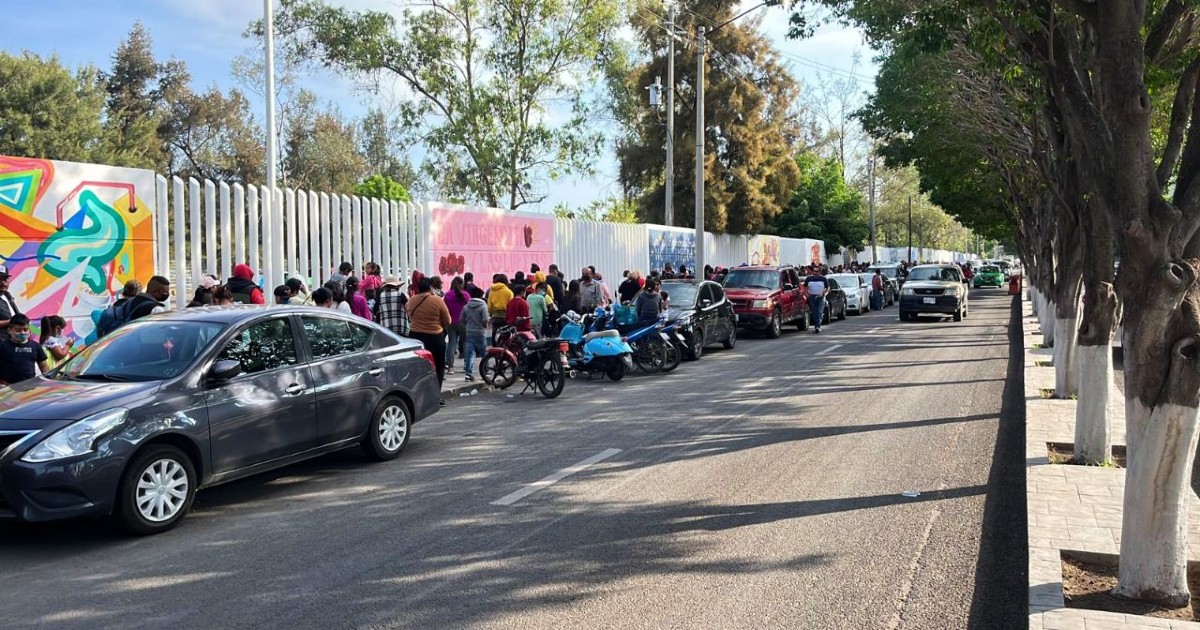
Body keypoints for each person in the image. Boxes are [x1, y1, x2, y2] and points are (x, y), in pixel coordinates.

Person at [407, 278, 452, 390]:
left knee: (417, 367)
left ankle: (419, 392)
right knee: (438, 366)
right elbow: (448, 321)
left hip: (415, 337)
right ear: (430, 287)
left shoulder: (411, 301)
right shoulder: (437, 300)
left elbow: (409, 316)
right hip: (435, 337)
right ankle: (436, 393)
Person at [0, 314, 48, 385]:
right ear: (9, 331)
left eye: (25, 330)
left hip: (29, 388)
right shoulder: (2, 346)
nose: (22, 333)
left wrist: (47, 381)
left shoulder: (35, 346)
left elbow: (44, 366)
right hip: (7, 388)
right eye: (18, 330)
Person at [462, 286, 488, 381]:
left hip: (469, 332)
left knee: (469, 353)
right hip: (480, 332)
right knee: (484, 352)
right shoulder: (483, 305)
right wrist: (484, 326)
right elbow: (485, 319)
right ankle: (486, 371)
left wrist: (467, 325)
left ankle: (468, 374)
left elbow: (461, 319)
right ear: (481, 296)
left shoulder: (466, 306)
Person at [444, 276, 470, 374]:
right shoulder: (466, 295)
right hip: (463, 323)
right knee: (465, 343)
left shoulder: (447, 295)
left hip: (451, 323)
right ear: (462, 284)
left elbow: (445, 309)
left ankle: (450, 367)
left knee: (451, 344)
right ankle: (466, 365)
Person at [487, 274, 514, 343]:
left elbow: (489, 306)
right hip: (505, 316)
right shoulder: (508, 292)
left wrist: (491, 314)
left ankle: (495, 349)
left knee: (494, 333)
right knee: (506, 335)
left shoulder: (492, 291)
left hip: (495, 316)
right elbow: (511, 305)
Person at [804, 267, 829, 333]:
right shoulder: (809, 279)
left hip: (821, 297)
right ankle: (817, 326)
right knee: (815, 312)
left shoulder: (823, 279)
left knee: (819, 312)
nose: (815, 273)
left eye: (817, 271)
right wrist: (807, 294)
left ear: (819, 272)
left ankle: (817, 325)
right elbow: (804, 287)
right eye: (814, 271)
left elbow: (827, 288)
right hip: (811, 297)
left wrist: (822, 293)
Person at [0, 264, 21, 330]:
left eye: (5, 279)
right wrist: (12, 321)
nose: (3, 282)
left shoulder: (7, 296)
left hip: (13, 338)